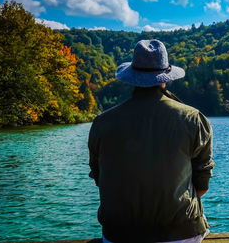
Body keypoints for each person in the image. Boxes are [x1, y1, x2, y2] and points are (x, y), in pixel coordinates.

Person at [88, 39, 215, 243]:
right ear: (166, 77)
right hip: (180, 235)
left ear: (133, 77)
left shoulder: (102, 122)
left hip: (118, 236)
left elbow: (99, 179)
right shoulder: (193, 118)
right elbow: (202, 184)